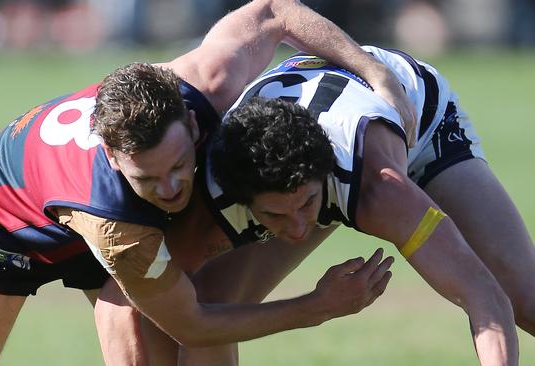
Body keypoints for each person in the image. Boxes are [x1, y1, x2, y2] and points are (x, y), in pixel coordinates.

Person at [0, 1, 417, 365]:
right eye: (149, 177)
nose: (171, 190)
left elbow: (273, 12)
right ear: (116, 159)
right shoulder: (122, 230)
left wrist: (373, 70)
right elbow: (195, 323)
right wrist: (316, 307)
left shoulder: (209, 78)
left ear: (193, 123)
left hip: (91, 204)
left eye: (181, 165)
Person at [196, 46, 535, 365]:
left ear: (326, 177)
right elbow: (167, 307)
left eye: (308, 205)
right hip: (328, 165)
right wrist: (314, 307)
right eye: (274, 214)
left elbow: (484, 295)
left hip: (419, 121)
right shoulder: (219, 184)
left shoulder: (381, 189)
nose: (298, 229)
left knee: (524, 300)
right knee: (209, 302)